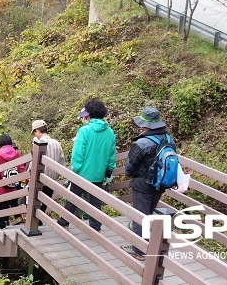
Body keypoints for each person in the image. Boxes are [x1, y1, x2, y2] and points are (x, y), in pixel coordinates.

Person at [121, 107, 174, 261]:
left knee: (140, 216)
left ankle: (139, 250)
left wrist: (130, 174)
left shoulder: (143, 142)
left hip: (142, 184)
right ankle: (147, 243)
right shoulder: (168, 139)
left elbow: (130, 165)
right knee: (148, 213)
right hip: (161, 183)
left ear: (145, 125)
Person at [57, 99, 116, 232]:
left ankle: (63, 222)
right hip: (99, 173)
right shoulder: (110, 133)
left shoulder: (84, 130)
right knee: (95, 201)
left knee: (73, 199)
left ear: (89, 114)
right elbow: (111, 155)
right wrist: (108, 171)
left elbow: (78, 154)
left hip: (82, 173)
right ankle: (95, 227)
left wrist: (74, 170)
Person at [30, 119, 65, 224]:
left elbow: (34, 162)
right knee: (44, 204)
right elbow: (62, 161)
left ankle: (35, 224)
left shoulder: (37, 143)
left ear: (37, 131)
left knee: (34, 204)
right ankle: (40, 221)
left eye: (34, 133)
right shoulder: (56, 143)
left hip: (39, 179)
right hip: (52, 179)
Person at [0, 133, 25, 229]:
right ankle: (6, 221)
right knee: (7, 202)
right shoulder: (17, 154)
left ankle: (0, 224)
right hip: (13, 186)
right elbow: (21, 169)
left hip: (0, 187)